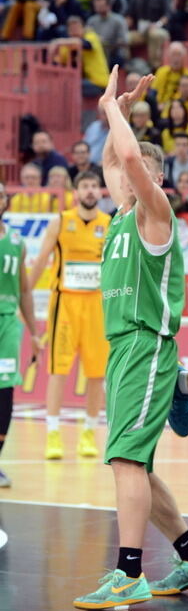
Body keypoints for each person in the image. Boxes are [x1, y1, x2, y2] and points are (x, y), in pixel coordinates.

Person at [73, 69, 188, 610]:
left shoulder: (155, 213)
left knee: (127, 463)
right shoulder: (118, 215)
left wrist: (113, 109)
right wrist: (123, 116)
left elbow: (129, 162)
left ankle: (129, 573)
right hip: (123, 348)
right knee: (134, 461)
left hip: (145, 342)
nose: (125, 176)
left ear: (156, 180)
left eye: (143, 171)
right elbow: (117, 160)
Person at [29, 171, 111, 460]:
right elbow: (40, 262)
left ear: (100, 192)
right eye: (84, 186)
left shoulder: (109, 224)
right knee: (58, 370)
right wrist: (23, 293)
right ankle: (53, 434)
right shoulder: (61, 221)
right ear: (75, 192)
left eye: (93, 186)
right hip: (65, 304)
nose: (89, 191)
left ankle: (88, 432)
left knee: (96, 373)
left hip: (97, 306)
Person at [0, 182, 42, 488]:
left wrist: (35, 333)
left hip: (8, 325)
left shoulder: (16, 241)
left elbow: (25, 289)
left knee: (4, 392)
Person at [127, 0, 171, 70]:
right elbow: (130, 15)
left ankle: (154, 67)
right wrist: (124, 26)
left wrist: (157, 25)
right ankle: (128, 64)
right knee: (124, 37)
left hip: (159, 29)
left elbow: (167, 15)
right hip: (141, 31)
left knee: (154, 34)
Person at [87, 0, 129, 68]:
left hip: (115, 53)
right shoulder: (91, 21)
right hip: (97, 53)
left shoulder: (118, 20)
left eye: (101, 6)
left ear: (108, 6)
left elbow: (124, 41)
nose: (99, 8)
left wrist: (106, 42)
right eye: (97, 6)